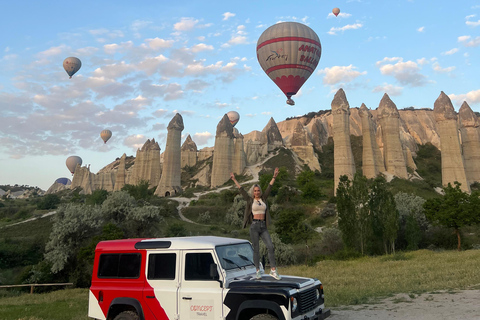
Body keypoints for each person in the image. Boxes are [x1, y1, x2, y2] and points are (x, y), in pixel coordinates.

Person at [230, 168, 281, 280]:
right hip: (254, 227)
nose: (257, 192)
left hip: (263, 226)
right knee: (256, 249)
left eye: (258, 190)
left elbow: (269, 187)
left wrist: (274, 176)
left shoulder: (263, 199)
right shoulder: (250, 200)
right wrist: (234, 180)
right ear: (253, 192)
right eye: (255, 191)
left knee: (270, 247)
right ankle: (257, 270)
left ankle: (273, 270)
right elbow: (241, 189)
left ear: (260, 192)